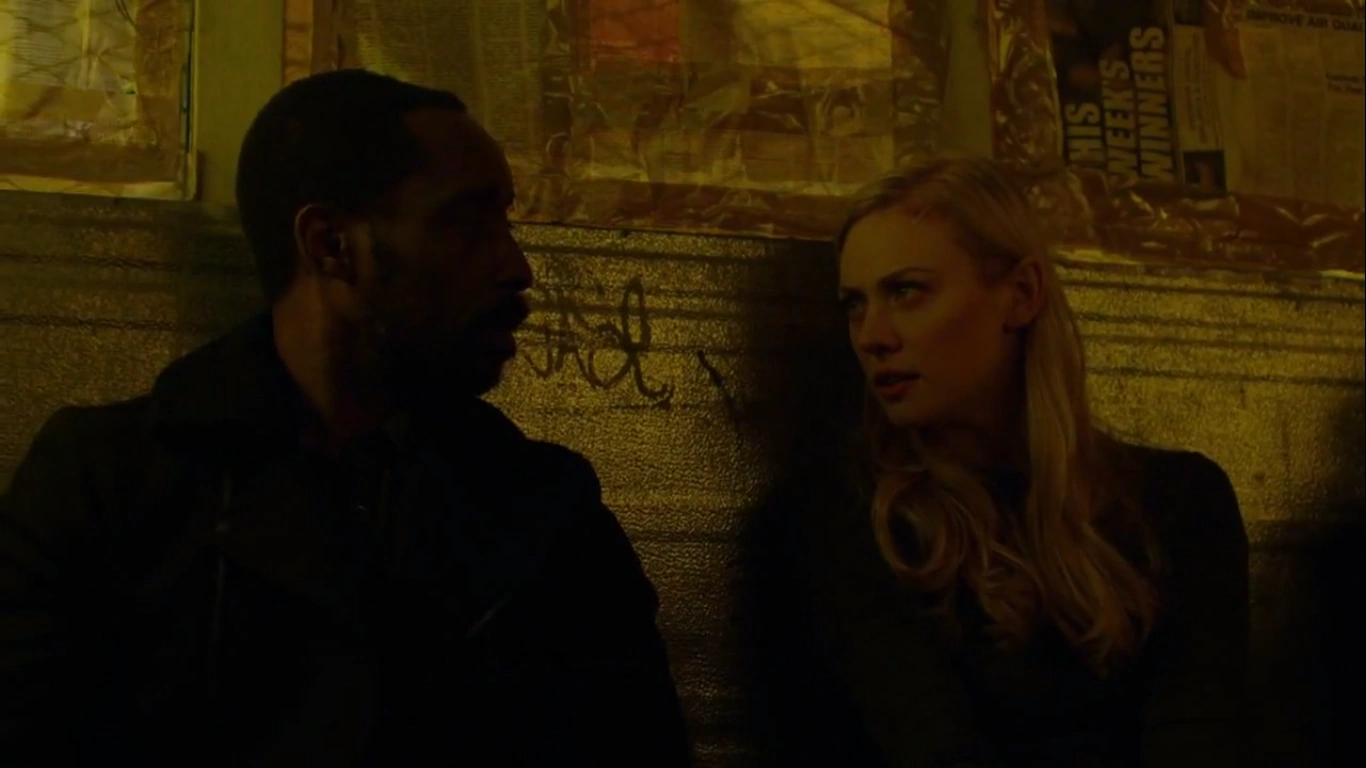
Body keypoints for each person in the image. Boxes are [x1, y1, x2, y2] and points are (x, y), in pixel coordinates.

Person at [0, 69, 692, 766]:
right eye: (465, 221)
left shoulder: (546, 513)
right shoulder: (105, 487)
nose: (515, 266)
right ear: (331, 245)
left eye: (504, 222)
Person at [746, 156, 1249, 767]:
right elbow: (935, 747)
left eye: (906, 292)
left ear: (1022, 295)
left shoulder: (1176, 501)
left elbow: (1199, 737)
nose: (872, 335)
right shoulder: (843, 515)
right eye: (855, 304)